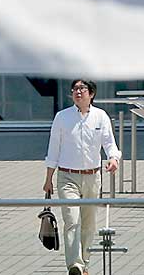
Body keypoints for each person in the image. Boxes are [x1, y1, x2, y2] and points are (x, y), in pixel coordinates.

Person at [44, 80, 121, 275]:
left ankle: (84, 263)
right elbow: (53, 149)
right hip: (67, 177)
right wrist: (48, 179)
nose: (78, 92)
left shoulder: (100, 116)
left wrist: (113, 159)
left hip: (92, 177)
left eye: (82, 89)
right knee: (72, 220)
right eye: (75, 89)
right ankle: (75, 265)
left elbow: (109, 143)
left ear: (91, 94)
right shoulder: (62, 117)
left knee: (89, 224)